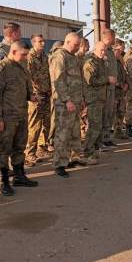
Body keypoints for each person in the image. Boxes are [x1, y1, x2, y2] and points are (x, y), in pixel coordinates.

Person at [0, 41, 38, 196]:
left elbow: (26, 86)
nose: (25, 57)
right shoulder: (0, 69)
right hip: (6, 117)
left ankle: (19, 175)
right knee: (3, 149)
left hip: (21, 114)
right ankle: (3, 181)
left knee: (19, 147)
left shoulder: (22, 67)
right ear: (14, 51)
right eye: (23, 54)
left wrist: (32, 96)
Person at [50, 32, 94, 177]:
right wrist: (67, 100)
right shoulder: (60, 56)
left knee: (75, 131)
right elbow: (58, 80)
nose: (77, 48)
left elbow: (79, 79)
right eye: (75, 45)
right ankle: (59, 163)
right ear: (67, 42)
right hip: (65, 102)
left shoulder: (73, 57)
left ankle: (74, 157)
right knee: (63, 133)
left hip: (75, 101)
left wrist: (81, 98)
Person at [24, 34, 52, 166]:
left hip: (46, 93)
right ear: (33, 43)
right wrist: (32, 93)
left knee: (46, 123)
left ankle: (42, 148)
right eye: (40, 41)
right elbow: (27, 77)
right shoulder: (29, 57)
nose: (43, 43)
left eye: (43, 41)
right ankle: (30, 154)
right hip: (36, 95)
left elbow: (49, 74)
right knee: (34, 126)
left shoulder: (45, 57)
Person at [82, 41, 110, 159]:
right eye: (101, 50)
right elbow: (91, 81)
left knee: (99, 124)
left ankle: (96, 148)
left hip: (101, 97)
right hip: (93, 98)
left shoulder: (101, 62)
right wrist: (107, 79)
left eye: (104, 50)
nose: (103, 52)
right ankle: (88, 150)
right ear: (95, 50)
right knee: (94, 125)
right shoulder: (90, 63)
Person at [101, 29, 118, 147]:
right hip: (104, 87)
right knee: (104, 113)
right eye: (114, 37)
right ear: (109, 36)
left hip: (112, 87)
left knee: (109, 113)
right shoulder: (101, 50)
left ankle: (107, 137)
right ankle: (101, 139)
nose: (115, 39)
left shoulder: (111, 51)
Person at [47, 40, 64, 152]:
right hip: (55, 94)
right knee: (54, 119)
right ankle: (51, 141)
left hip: (56, 93)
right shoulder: (55, 59)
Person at [113, 39, 129, 140]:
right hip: (115, 90)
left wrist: (126, 84)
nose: (121, 51)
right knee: (114, 113)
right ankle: (114, 131)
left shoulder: (120, 61)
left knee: (121, 111)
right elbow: (112, 76)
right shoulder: (112, 62)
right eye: (120, 49)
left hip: (121, 91)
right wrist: (120, 85)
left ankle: (118, 131)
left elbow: (124, 74)